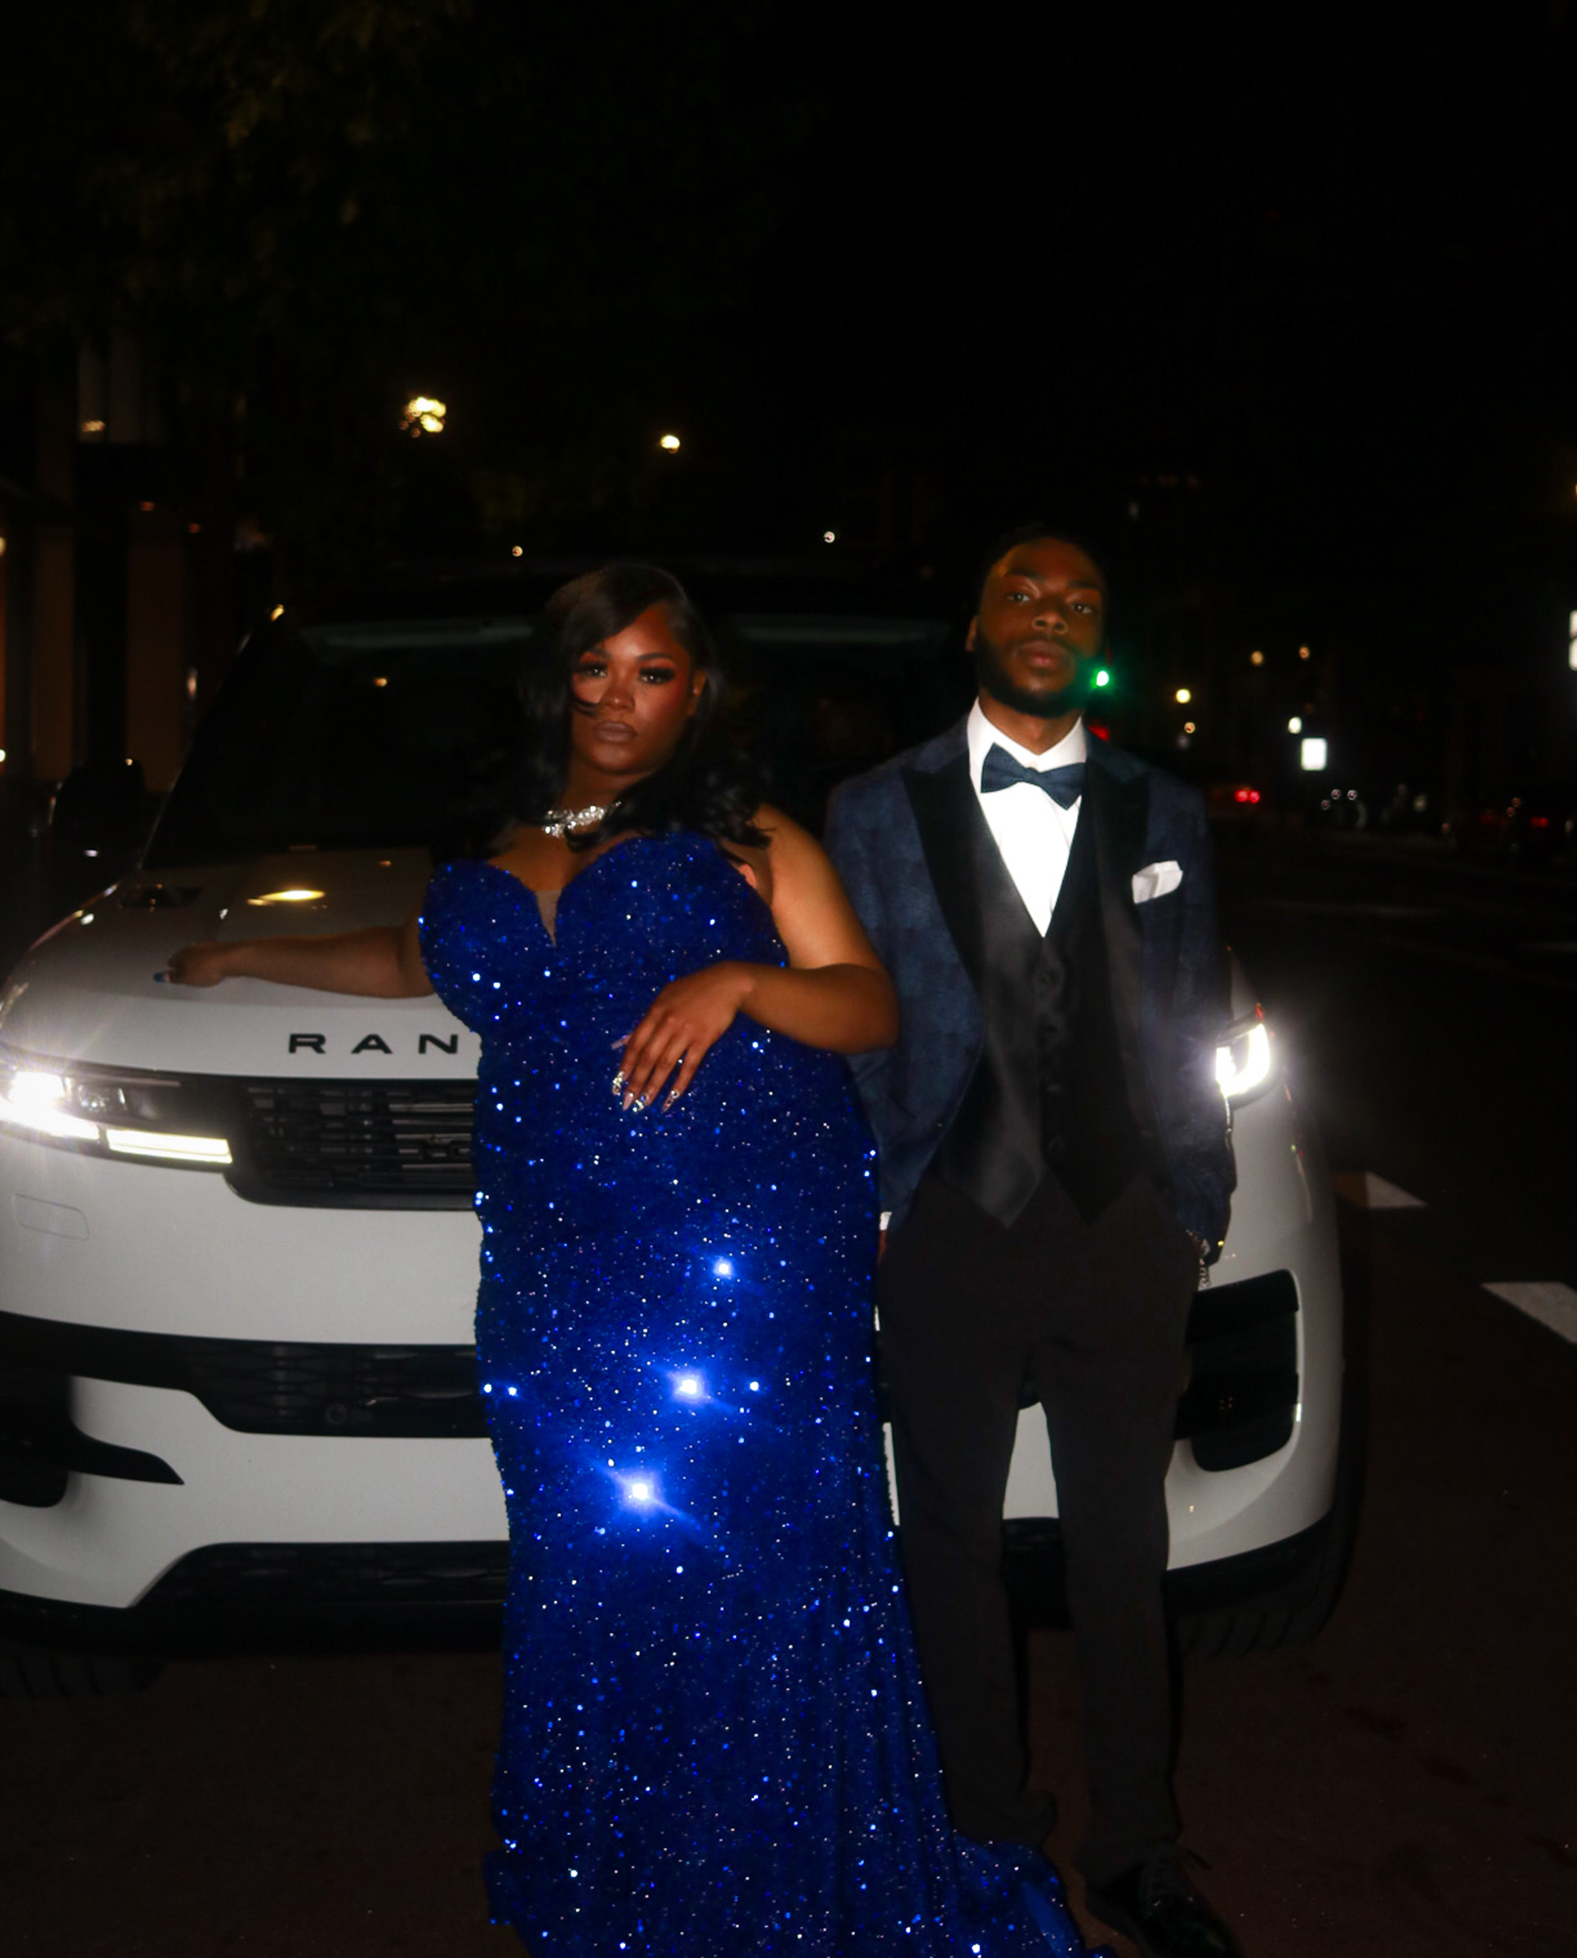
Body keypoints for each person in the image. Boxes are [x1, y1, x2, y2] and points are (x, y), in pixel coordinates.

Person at [169, 563, 1086, 1957]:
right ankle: (631, 1883)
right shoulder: (502, 839)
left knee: (755, 1567)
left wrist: (738, 982)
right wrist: (246, 958)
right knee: (592, 1560)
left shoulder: (744, 833)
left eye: (653, 673)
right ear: (556, 682)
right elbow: (417, 959)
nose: (618, 699)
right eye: (595, 668)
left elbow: (868, 1005)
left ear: (695, 693)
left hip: (742, 1249)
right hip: (552, 1264)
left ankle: (778, 1888)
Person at [825, 529, 1245, 1958]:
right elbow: (851, 1007)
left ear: (1100, 636)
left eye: (1079, 600)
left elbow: (1187, 1014)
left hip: (1125, 1225)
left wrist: (1193, 1201)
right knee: (949, 1539)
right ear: (974, 624)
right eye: (1023, 591)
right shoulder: (872, 808)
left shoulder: (1163, 808)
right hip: (951, 1216)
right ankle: (983, 1835)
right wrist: (881, 1192)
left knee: (1123, 1546)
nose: (1050, 613)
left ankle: (1138, 1851)